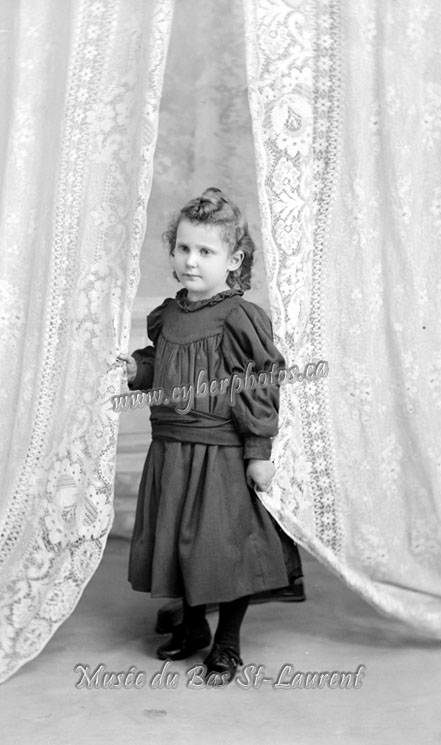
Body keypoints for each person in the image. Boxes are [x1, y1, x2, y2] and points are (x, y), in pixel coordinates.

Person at [118, 187, 297, 685]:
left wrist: (258, 451)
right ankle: (194, 626)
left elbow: (259, 385)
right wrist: (137, 368)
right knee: (180, 545)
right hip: (170, 449)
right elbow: (163, 364)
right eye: (183, 248)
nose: (191, 261)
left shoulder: (239, 317)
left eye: (205, 251)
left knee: (222, 548)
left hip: (219, 454)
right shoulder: (169, 315)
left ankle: (227, 643)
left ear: (233, 260)